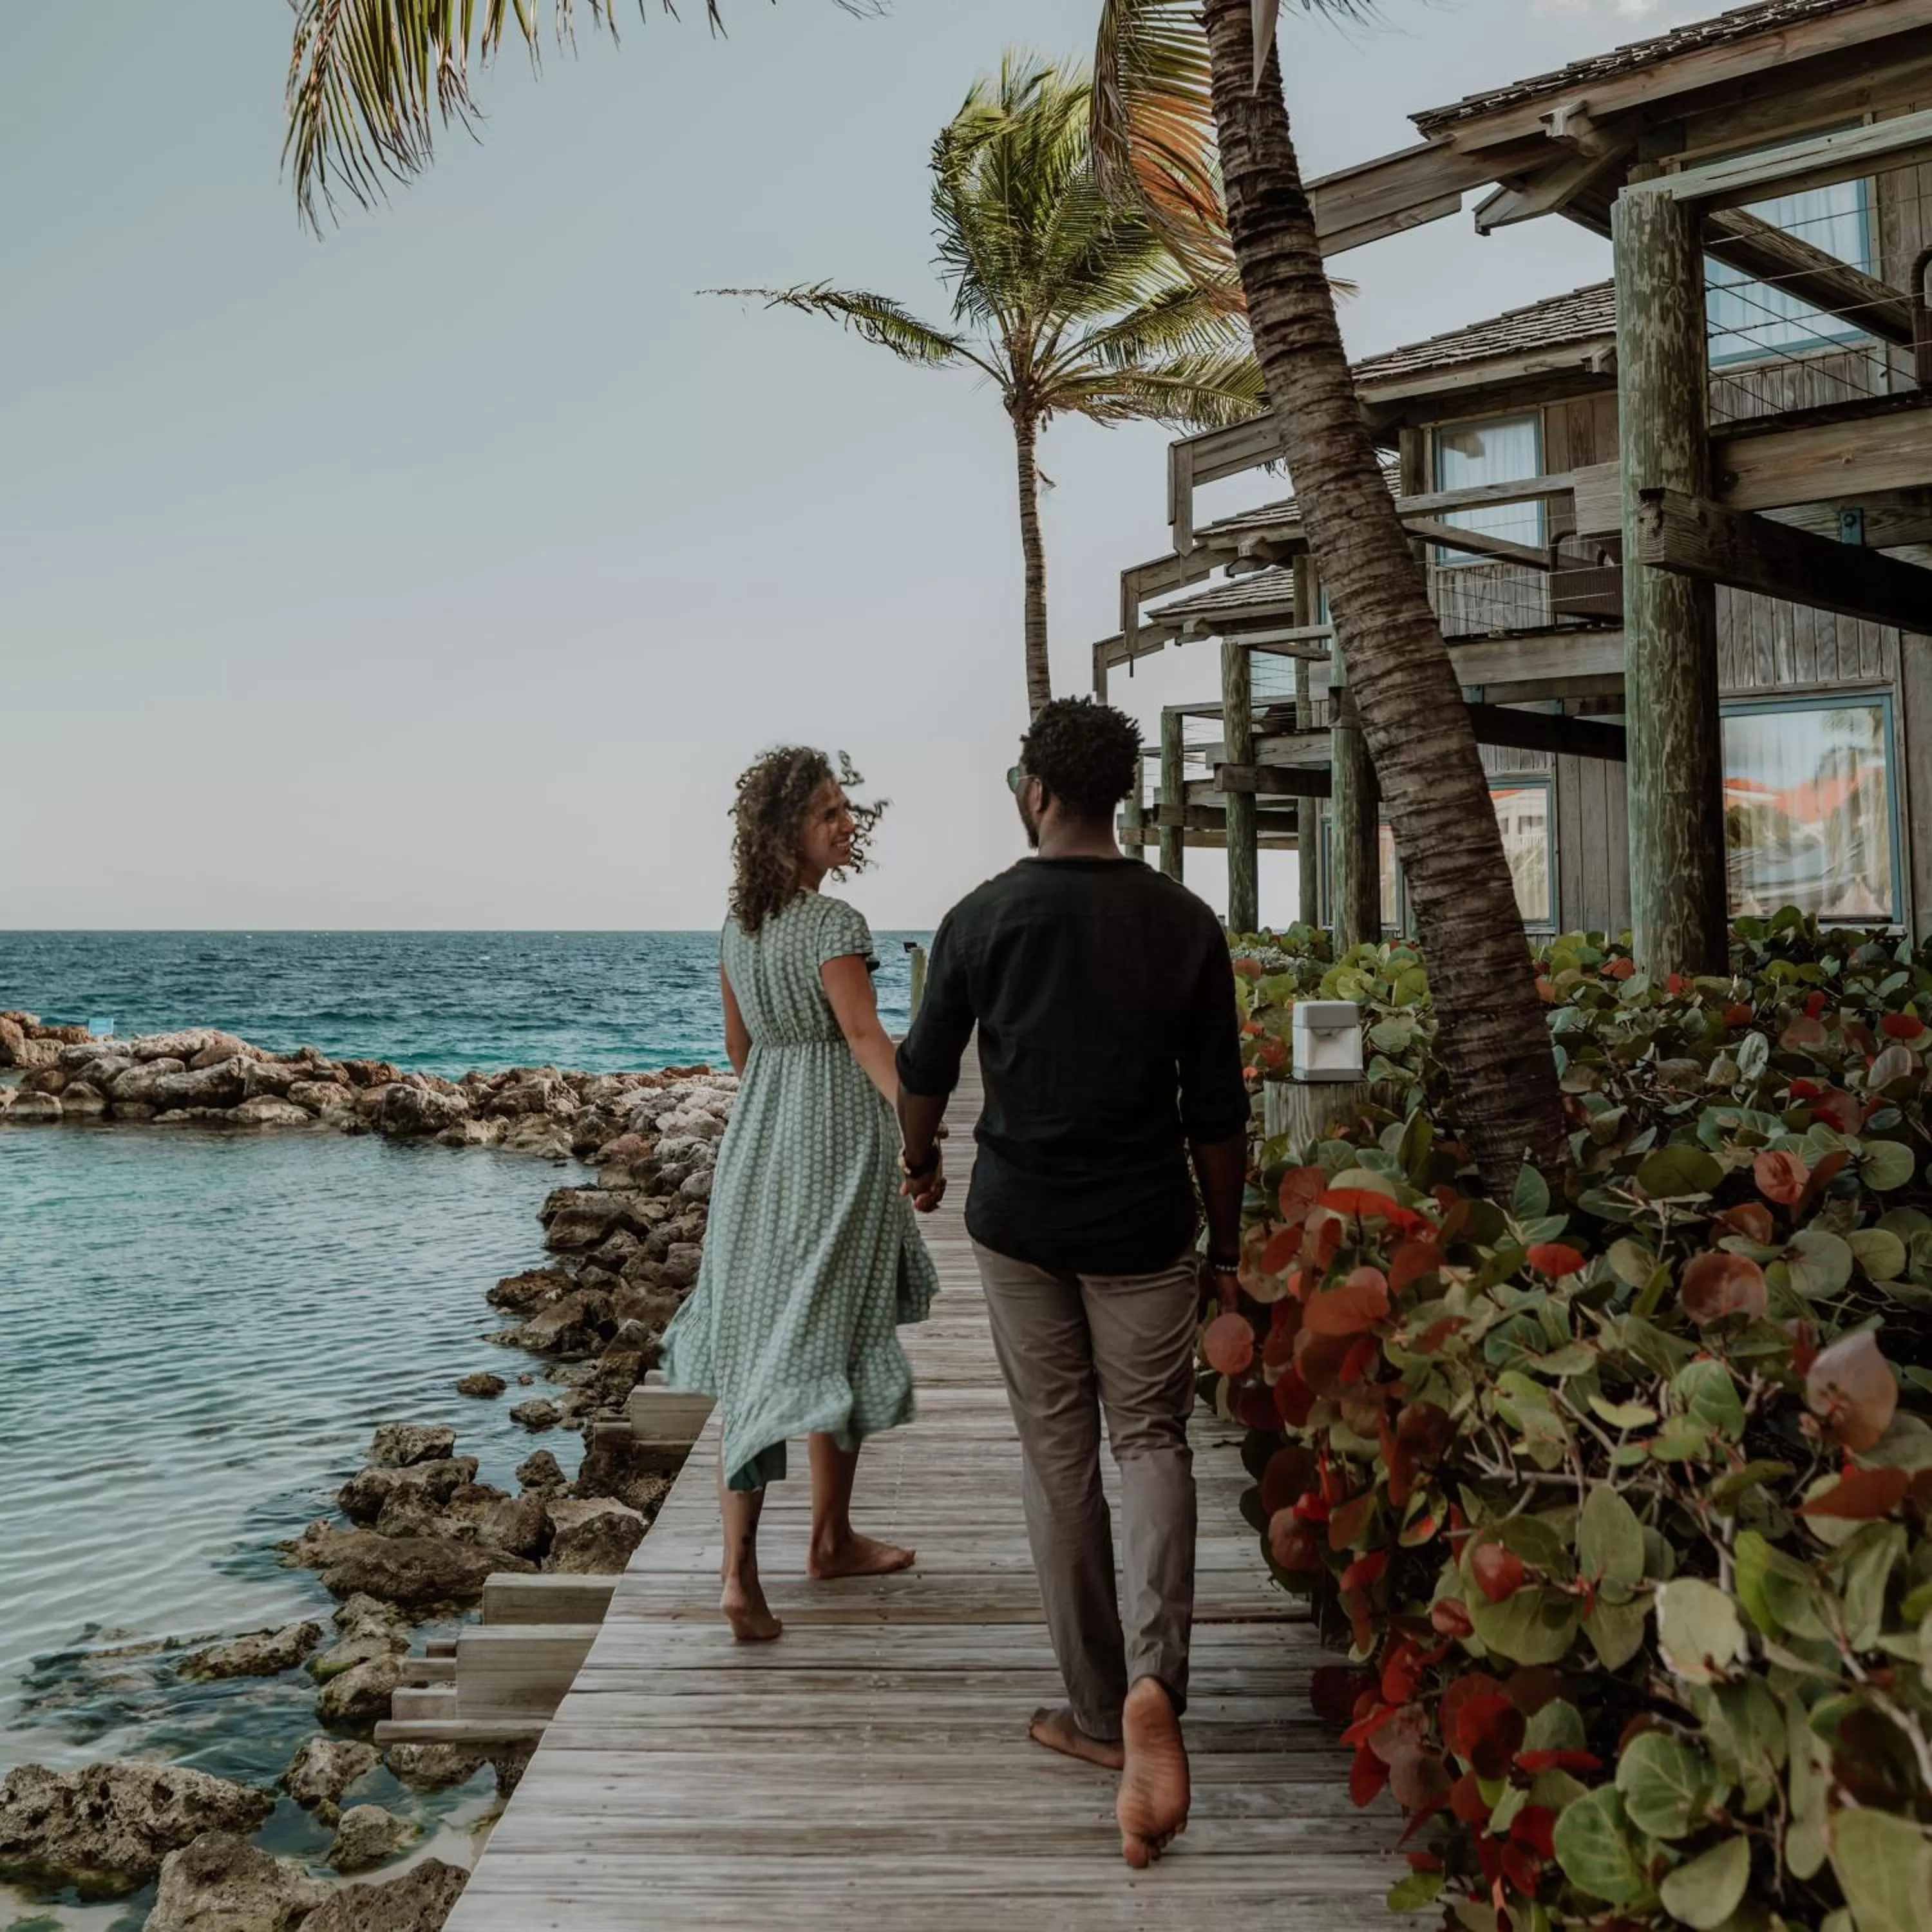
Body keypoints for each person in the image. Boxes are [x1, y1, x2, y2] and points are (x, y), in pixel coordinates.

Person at [894, 698, 1248, 1870]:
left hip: (1020, 1226)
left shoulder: (980, 917)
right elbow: (1217, 1113)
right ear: (1122, 796)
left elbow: (926, 1070)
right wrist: (1230, 1249)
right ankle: (1159, 1684)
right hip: (1146, 1226)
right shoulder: (1186, 922)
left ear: (1035, 791)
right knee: (1151, 1441)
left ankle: (1100, 1716)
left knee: (1059, 1458)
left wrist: (920, 1156)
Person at [660, 747, 940, 1643]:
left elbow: (740, 1053)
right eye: (828, 813)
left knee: (761, 1346)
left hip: (760, 1147)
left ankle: (779, 1558)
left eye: (846, 809)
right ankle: (820, 1540)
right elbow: (865, 1038)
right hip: (837, 1149)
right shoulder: (835, 924)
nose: (845, 824)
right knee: (837, 1332)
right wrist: (917, 1135)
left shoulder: (738, 930)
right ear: (787, 830)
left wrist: (786, 1085)